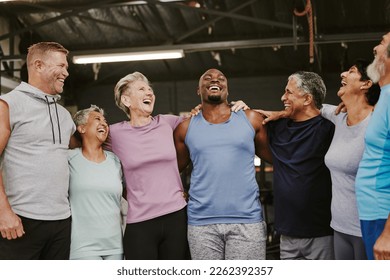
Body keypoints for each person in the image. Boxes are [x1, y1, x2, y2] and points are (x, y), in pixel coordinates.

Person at [106, 71, 246, 260]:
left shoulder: (168, 123)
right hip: (140, 221)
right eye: (141, 89)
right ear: (126, 100)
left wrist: (237, 109)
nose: (149, 93)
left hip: (176, 216)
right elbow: (83, 143)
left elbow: (209, 119)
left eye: (150, 90)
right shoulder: (114, 134)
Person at [173, 68, 272, 260]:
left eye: (220, 78)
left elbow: (276, 157)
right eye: (207, 78)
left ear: (227, 89)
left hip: (247, 220)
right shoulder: (185, 128)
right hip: (201, 223)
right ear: (198, 90)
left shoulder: (251, 119)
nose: (214, 80)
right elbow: (174, 169)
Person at [0, 42, 75, 259]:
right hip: (20, 220)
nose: (66, 73)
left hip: (61, 221)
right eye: (60, 66)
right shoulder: (8, 104)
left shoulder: (64, 115)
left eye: (67, 67)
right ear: (39, 65)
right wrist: (4, 212)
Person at [258, 71, 335, 260]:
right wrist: (242, 108)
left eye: (289, 92)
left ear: (307, 98)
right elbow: (249, 123)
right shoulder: (277, 126)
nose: (283, 97)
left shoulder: (330, 129)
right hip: (286, 234)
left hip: (322, 233)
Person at [321, 60, 380, 260]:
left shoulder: (379, 123)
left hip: (370, 230)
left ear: (366, 84)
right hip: (340, 228)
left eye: (352, 71)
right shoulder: (338, 117)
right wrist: (278, 113)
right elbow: (309, 107)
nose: (343, 74)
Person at [68, 105, 124, 260]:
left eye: (105, 121)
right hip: (83, 247)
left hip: (116, 247)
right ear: (82, 128)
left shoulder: (116, 161)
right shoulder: (68, 158)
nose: (104, 124)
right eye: (97, 119)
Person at [355, 32, 390, 260]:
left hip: (382, 216)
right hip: (372, 213)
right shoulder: (384, 97)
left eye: (381, 43)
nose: (375, 49)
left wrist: (388, 233)